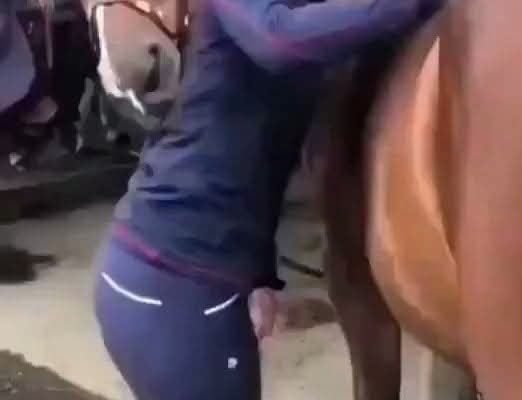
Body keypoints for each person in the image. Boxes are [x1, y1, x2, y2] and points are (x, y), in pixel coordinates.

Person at [93, 0, 440, 398]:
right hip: (174, 283)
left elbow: (259, 159)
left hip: (180, 276)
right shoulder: (251, 15)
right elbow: (279, 39)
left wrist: (259, 276)